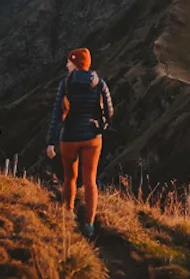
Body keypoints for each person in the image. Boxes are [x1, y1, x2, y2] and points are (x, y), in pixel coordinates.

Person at [46, 47, 113, 237]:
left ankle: (68, 213)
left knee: (70, 177)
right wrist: (102, 126)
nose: (66, 65)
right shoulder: (100, 83)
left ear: (76, 63)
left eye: (69, 61)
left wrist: (51, 142)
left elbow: (57, 115)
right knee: (91, 180)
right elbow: (110, 111)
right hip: (92, 138)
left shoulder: (66, 84)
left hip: (69, 137)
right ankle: (89, 224)